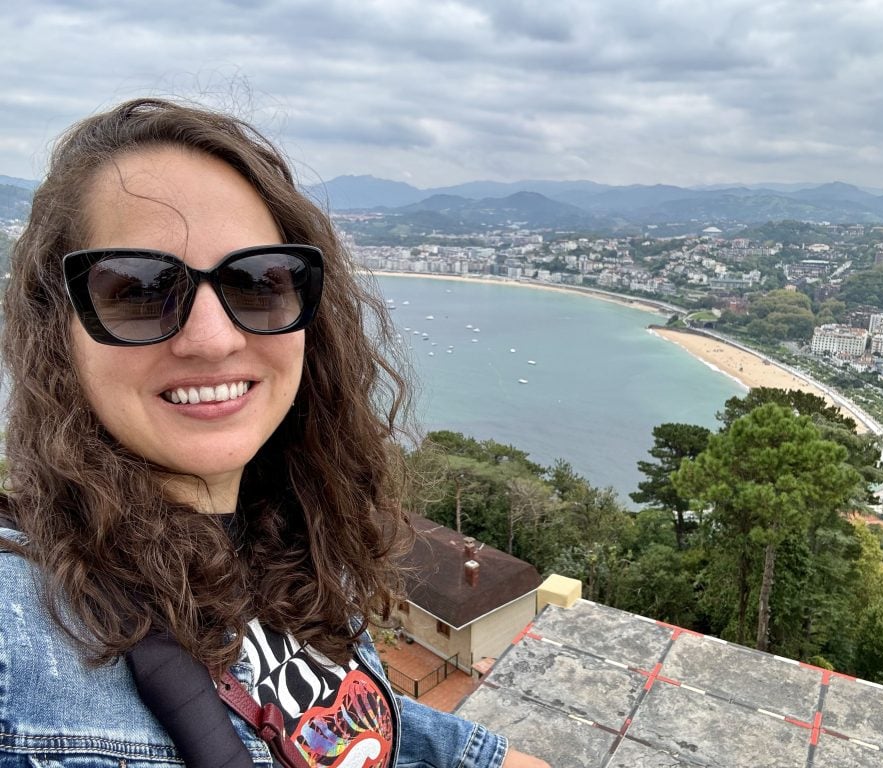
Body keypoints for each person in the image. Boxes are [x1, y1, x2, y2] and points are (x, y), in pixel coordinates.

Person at [0, 98, 547, 768]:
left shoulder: (293, 540)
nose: (212, 338)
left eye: (257, 282)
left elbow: (338, 723)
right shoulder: (19, 627)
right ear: (58, 329)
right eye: (140, 291)